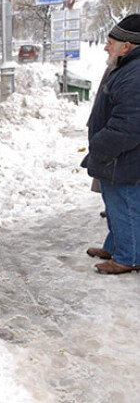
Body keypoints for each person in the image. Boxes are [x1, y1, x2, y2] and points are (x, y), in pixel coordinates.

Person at [81, 14, 140, 274]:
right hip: (117, 156)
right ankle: (115, 246)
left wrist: (100, 146)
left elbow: (129, 124)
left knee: (126, 205)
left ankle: (128, 258)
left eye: (110, 42)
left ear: (126, 46)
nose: (106, 46)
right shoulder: (127, 67)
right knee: (115, 204)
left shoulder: (134, 74)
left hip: (123, 157)